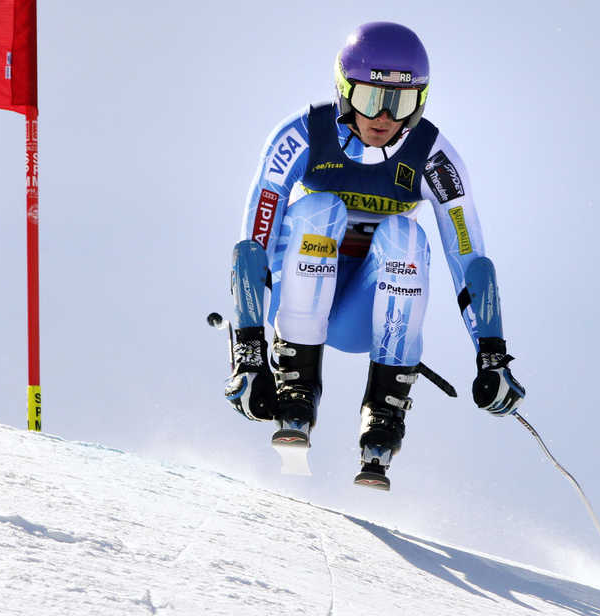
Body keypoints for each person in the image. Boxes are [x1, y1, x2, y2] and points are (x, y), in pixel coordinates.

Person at [222, 22, 525, 490]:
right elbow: (254, 241)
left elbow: (468, 257)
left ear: (419, 102)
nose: (383, 117)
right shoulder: (301, 136)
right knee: (318, 209)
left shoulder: (433, 157)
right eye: (371, 99)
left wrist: (492, 355)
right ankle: (296, 385)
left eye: (400, 103)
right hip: (298, 291)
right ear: (345, 90)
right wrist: (247, 350)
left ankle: (385, 410)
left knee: (406, 235)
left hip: (364, 313)